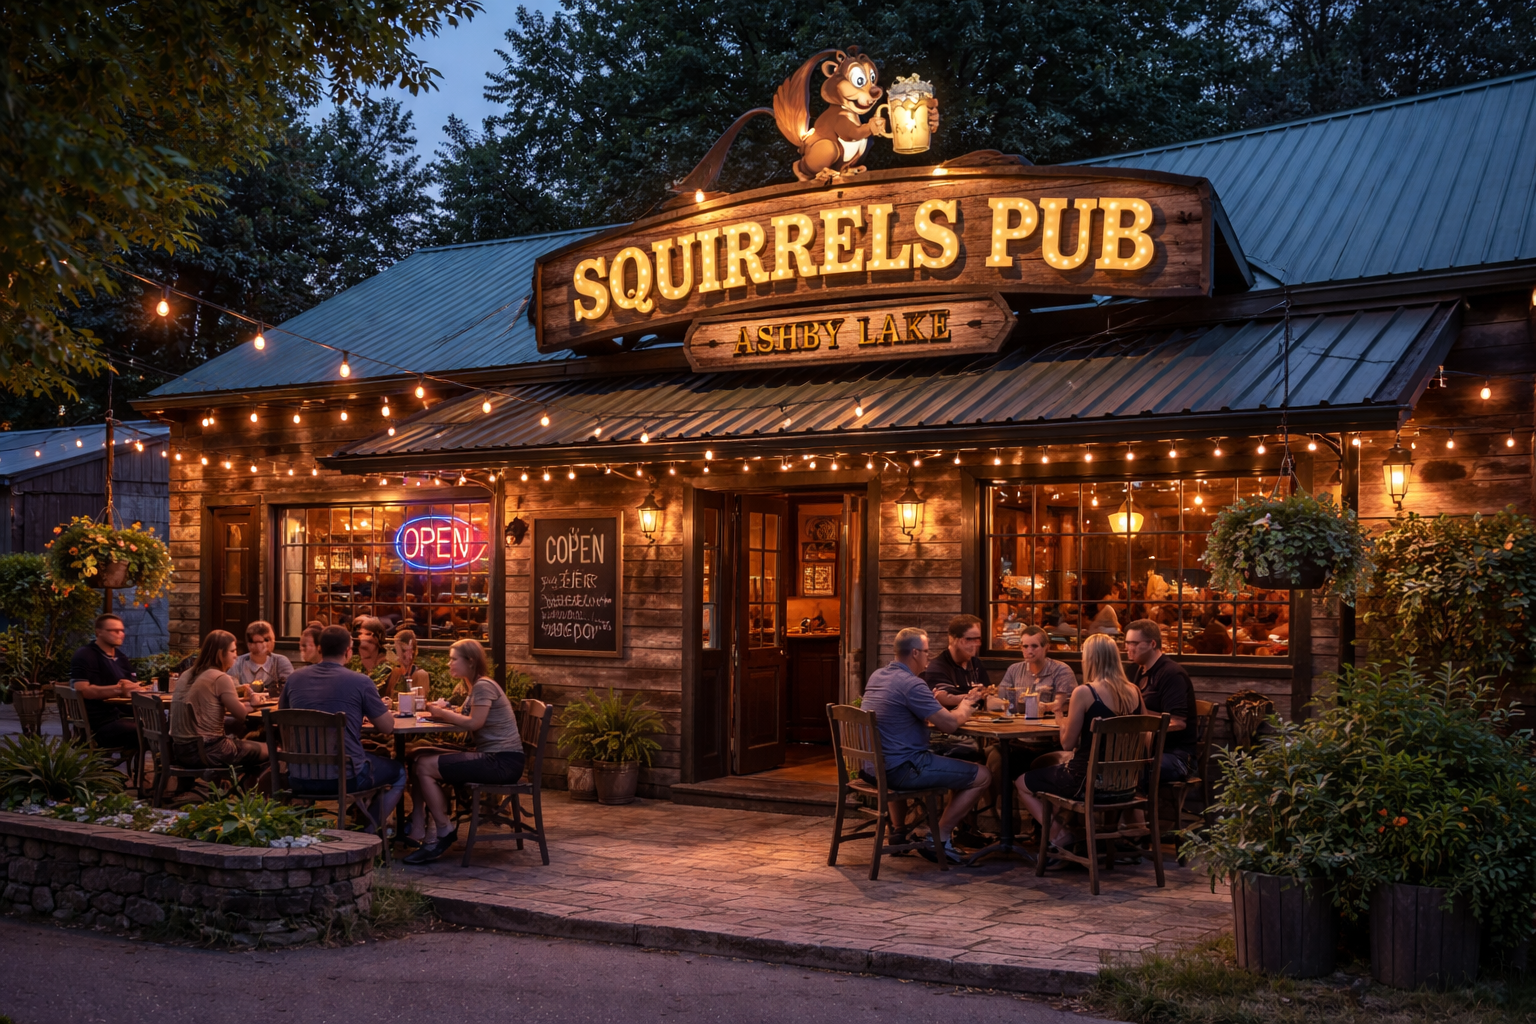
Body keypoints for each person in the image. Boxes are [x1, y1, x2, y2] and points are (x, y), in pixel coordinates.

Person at [860, 627, 992, 865]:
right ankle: (938, 838)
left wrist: (927, 705)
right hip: (902, 769)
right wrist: (968, 703)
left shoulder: (878, 676)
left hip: (873, 768)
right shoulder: (912, 684)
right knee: (982, 774)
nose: (929, 658)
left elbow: (899, 712)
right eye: (926, 652)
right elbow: (950, 725)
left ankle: (900, 831)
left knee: (959, 758)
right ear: (914, 653)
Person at [1016, 633, 1146, 852]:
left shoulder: (1085, 692)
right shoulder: (1134, 692)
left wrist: (1060, 718)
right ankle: (1067, 837)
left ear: (1090, 659)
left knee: (1022, 782)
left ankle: (1059, 836)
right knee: (1053, 771)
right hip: (1126, 785)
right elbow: (1144, 739)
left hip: (1085, 783)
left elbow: (1067, 744)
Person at [403, 639, 523, 865]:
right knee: (416, 754)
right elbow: (467, 715)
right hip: (493, 757)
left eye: (453, 659)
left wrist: (440, 712)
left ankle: (443, 830)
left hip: (502, 762)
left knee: (424, 766)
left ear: (470, 661)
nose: (449, 663)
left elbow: (474, 723)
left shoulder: (483, 686)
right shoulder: (474, 685)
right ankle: (419, 825)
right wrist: (444, 711)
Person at [279, 625, 404, 829]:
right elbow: (387, 727)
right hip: (346, 778)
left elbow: (282, 718)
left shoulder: (294, 679)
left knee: (369, 757)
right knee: (398, 771)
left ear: (319, 649)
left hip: (298, 776)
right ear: (349, 651)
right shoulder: (361, 682)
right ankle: (367, 831)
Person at [171, 630, 267, 782]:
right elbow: (242, 716)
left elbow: (213, 705)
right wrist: (254, 704)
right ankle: (249, 791)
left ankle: (234, 788)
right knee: (271, 751)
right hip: (209, 752)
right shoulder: (220, 677)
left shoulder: (186, 674)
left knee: (237, 733)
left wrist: (247, 703)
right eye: (232, 651)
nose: (236, 655)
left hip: (180, 751)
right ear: (220, 653)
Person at [1125, 619, 1199, 783]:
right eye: (1127, 643)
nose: (1128, 648)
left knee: (1128, 770)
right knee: (1104, 764)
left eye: (1135, 643)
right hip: (1144, 751)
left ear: (1152, 643)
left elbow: (1178, 722)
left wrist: (1142, 720)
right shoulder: (1134, 670)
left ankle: (1140, 808)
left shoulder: (1171, 674)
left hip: (1176, 756)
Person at [68, 613, 145, 749]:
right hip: (100, 724)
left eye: (122, 630)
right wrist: (119, 689)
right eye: (114, 631)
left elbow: (131, 687)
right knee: (158, 732)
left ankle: (164, 765)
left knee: (163, 726)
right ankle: (170, 766)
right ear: (99, 633)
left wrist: (137, 688)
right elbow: (81, 689)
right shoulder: (86, 654)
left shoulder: (121, 657)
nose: (120, 634)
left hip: (124, 716)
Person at [998, 626, 1078, 711]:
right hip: (1018, 721)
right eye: (1025, 646)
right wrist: (989, 697)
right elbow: (1000, 697)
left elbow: (1067, 705)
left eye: (1034, 646)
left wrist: (1042, 707)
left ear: (1046, 647)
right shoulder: (1014, 670)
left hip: (1050, 722)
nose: (1029, 651)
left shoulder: (1061, 670)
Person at [229, 620, 293, 697]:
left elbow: (290, 687)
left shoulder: (280, 661)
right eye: (267, 639)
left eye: (272, 639)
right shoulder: (237, 663)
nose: (273, 642)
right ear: (250, 644)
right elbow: (232, 691)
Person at [386, 629, 430, 697]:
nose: (398, 655)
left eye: (403, 650)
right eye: (396, 650)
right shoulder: (396, 672)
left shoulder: (421, 674)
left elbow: (420, 703)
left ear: (412, 651)